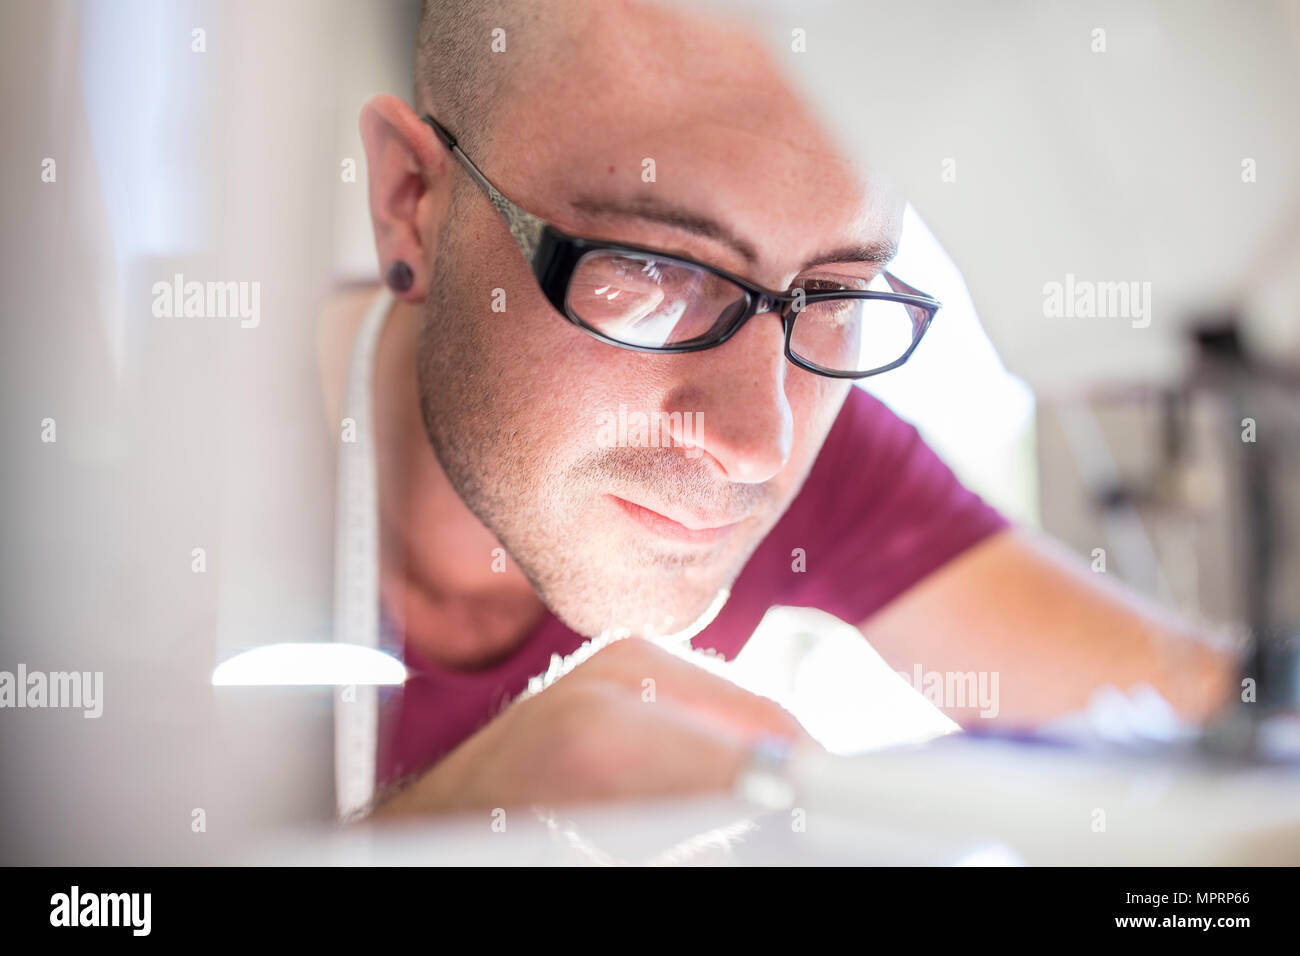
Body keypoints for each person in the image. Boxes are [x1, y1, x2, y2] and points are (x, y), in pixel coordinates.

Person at [316, 0, 1238, 819]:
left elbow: (1200, 705)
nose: (760, 446)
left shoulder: (825, 459)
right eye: (652, 270)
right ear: (412, 202)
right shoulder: (184, 474)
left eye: (835, 294)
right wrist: (437, 837)